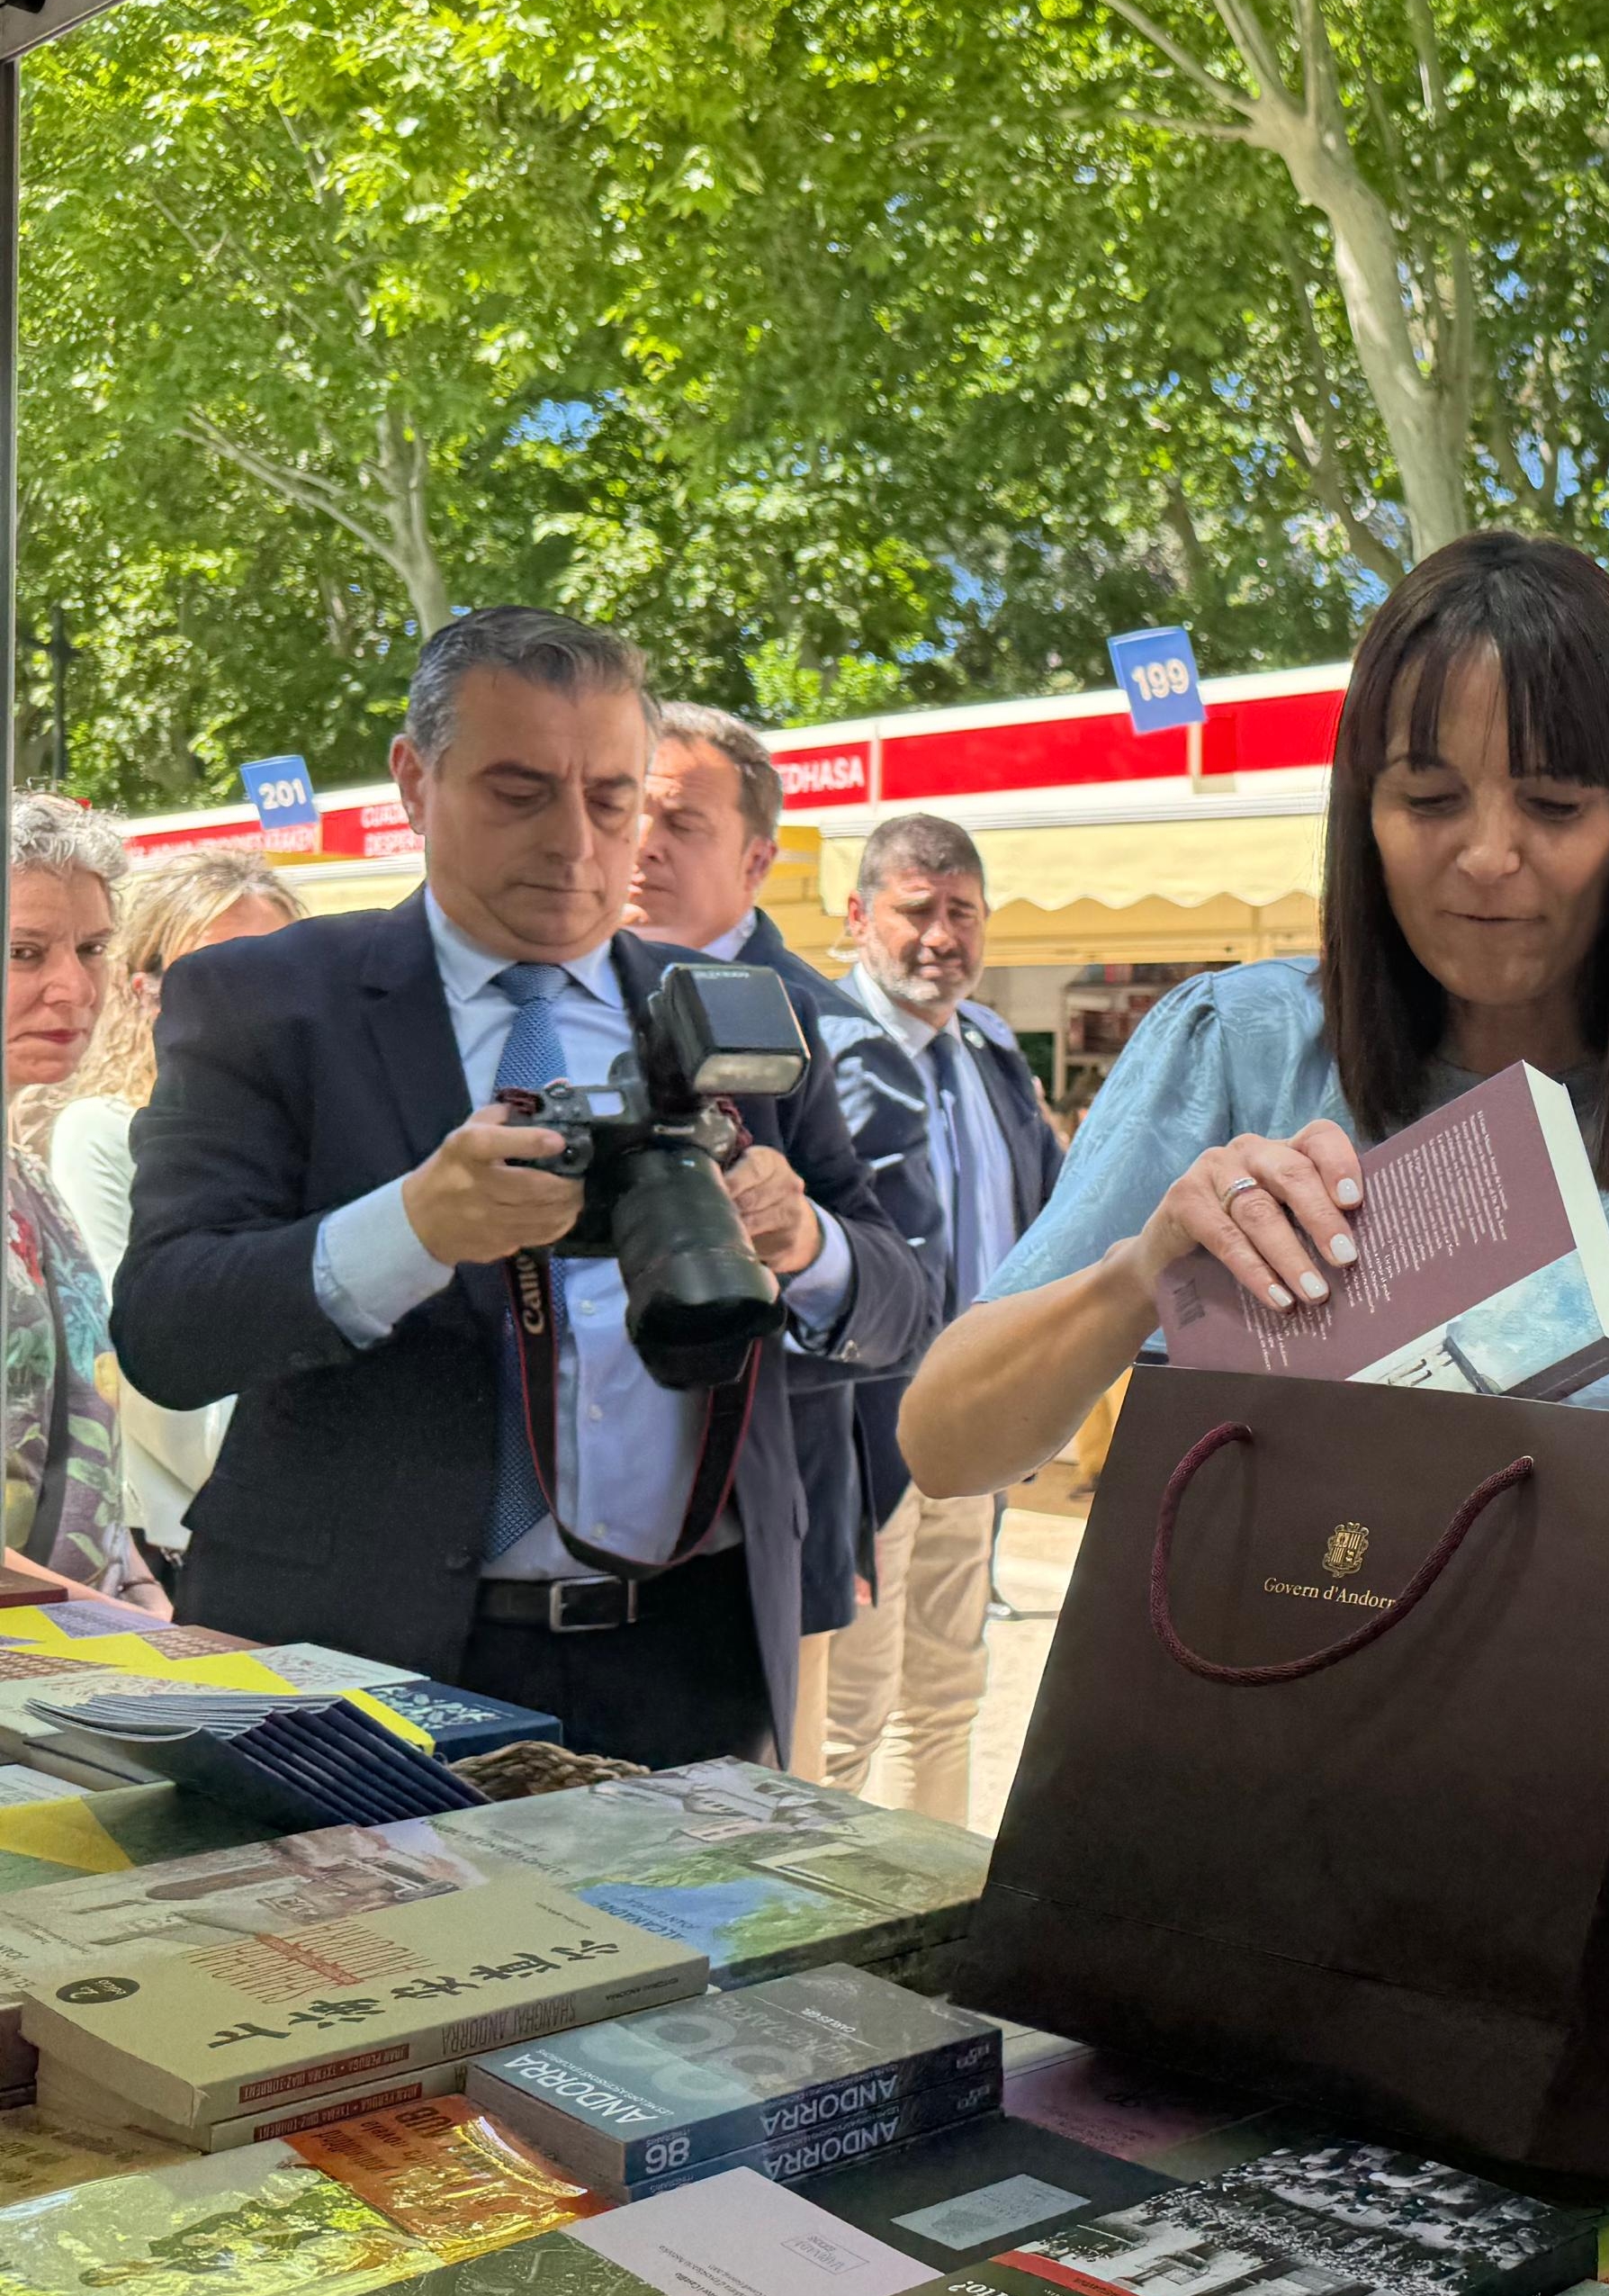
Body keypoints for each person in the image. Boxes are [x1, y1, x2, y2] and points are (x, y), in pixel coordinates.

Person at [896, 533, 1609, 2158]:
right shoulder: (1238, 1049)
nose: (1491, 862)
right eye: (1428, 797)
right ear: (1360, 810)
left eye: (1556, 803)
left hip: (1569, 1929)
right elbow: (947, 1438)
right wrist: (1141, 1272)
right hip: (1224, 1880)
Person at [112, 608, 941, 1766]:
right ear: (415, 778)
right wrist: (411, 1230)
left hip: (690, 1661)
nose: (576, 844)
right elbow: (167, 1329)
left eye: (612, 799)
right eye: (518, 792)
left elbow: (907, 1305)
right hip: (356, 1668)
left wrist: (802, 1242)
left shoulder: (747, 1012)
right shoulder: (265, 1004)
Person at [628, 701, 934, 1687]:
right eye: (625, 809)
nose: (641, 844)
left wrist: (786, 1247)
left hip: (749, 1539)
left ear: (758, 861)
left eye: (681, 822)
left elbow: (896, 1302)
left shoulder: (827, 1033)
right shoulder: (544, 1000)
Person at [815, 813, 1062, 1828]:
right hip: (862, 1431)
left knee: (948, 1693)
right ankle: (815, 1936)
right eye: (917, 910)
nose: (940, 937)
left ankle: (922, 1923)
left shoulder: (992, 1051)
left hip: (976, 1426)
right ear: (859, 914)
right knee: (846, 1708)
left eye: (962, 913)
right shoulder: (813, 1053)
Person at [42, 847, 302, 1584]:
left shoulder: (320, 1135)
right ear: (143, 992)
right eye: (211, 975)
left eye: (274, 970)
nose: (248, 1000)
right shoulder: (103, 1131)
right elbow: (137, 1372)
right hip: (184, 1544)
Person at [4, 797, 154, 1601]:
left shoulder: (31, 1181)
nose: (73, 987)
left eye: (92, 948)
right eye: (26, 951)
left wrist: (137, 1587)